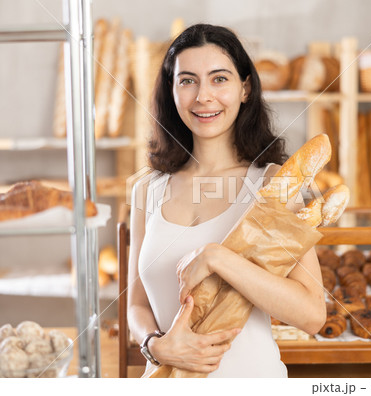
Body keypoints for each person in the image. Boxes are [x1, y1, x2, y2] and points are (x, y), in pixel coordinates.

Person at [127, 23, 326, 378]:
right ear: (171, 91)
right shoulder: (146, 189)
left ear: (245, 88)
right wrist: (156, 345)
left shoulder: (271, 184)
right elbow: (136, 306)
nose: (204, 96)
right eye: (187, 80)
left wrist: (217, 258)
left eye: (219, 79)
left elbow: (311, 314)